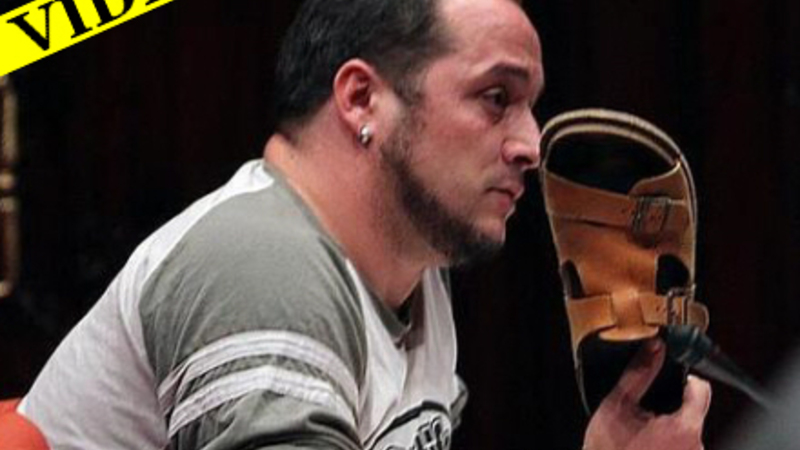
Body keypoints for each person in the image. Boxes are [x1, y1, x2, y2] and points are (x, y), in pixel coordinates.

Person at [17, 0, 711, 448]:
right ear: (360, 99)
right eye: (496, 97)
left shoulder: (413, 272)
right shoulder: (262, 270)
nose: (532, 144)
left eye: (530, 107)